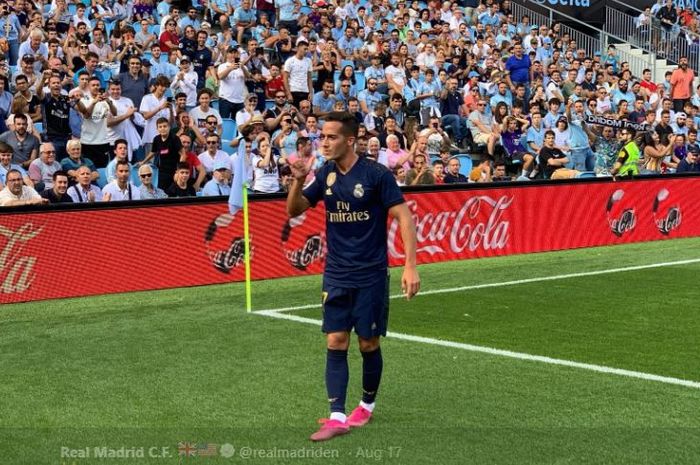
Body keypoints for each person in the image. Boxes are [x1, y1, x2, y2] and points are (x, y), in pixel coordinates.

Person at [286, 111, 420, 441]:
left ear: (349, 140)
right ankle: (336, 416)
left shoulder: (376, 174)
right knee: (335, 339)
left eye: (330, 137)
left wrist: (410, 265)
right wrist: (298, 179)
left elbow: (403, 216)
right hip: (336, 273)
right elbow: (295, 209)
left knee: (367, 342)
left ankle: (366, 405)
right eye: (322, 138)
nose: (324, 143)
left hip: (371, 273)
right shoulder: (327, 173)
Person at [141, 117, 186, 190]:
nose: (163, 128)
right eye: (160, 127)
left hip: (174, 171)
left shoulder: (174, 138)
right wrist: (143, 162)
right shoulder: (156, 139)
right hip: (162, 171)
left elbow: (183, 155)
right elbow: (153, 152)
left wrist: (178, 172)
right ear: (157, 129)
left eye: (165, 126)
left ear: (169, 127)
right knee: (162, 192)